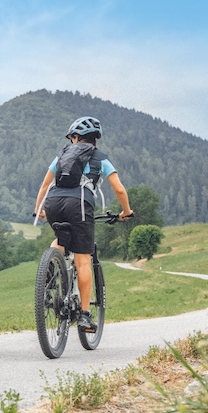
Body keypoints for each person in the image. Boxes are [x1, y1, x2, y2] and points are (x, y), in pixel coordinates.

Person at [33, 116, 133, 333]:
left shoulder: (61, 155)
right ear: (95, 139)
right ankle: (85, 316)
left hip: (53, 202)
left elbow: (45, 184)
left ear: (76, 138)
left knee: (60, 239)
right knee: (83, 260)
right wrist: (126, 211)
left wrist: (38, 209)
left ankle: (48, 271)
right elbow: (119, 189)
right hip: (79, 204)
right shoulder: (101, 158)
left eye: (73, 138)